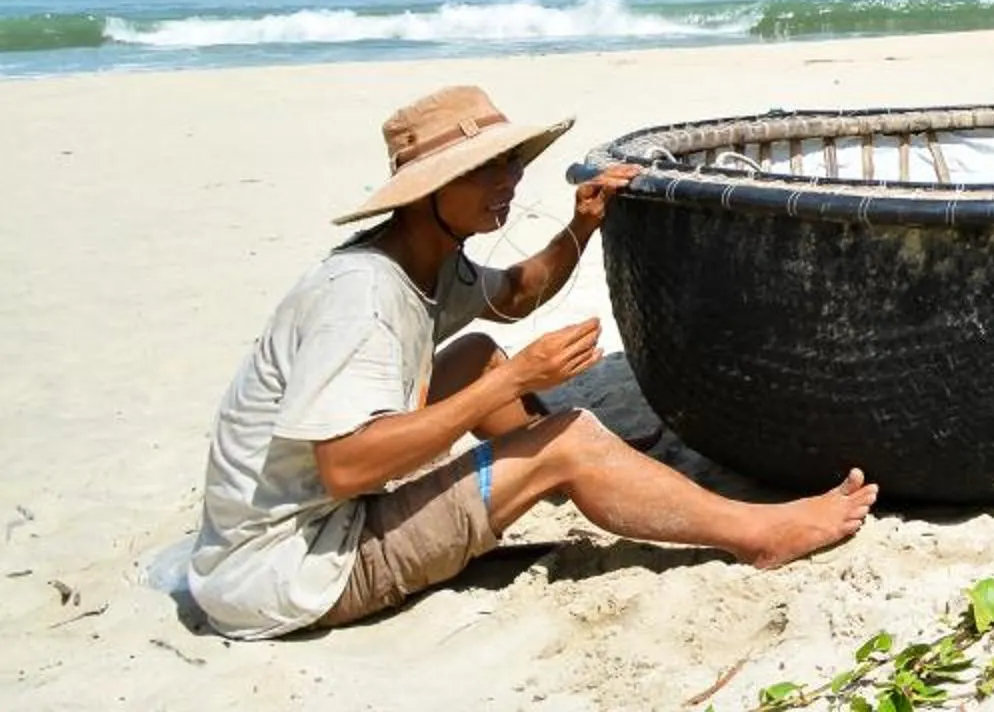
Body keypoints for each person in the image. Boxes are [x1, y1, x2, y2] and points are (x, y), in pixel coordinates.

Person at [189, 85, 877, 638]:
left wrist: (580, 225)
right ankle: (754, 533)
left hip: (294, 537)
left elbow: (514, 298)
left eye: (511, 161)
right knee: (568, 433)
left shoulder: (426, 257)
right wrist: (524, 380)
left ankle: (581, 473)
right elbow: (345, 465)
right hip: (296, 572)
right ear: (429, 189)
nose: (510, 178)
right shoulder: (362, 298)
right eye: (485, 168)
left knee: (477, 355)